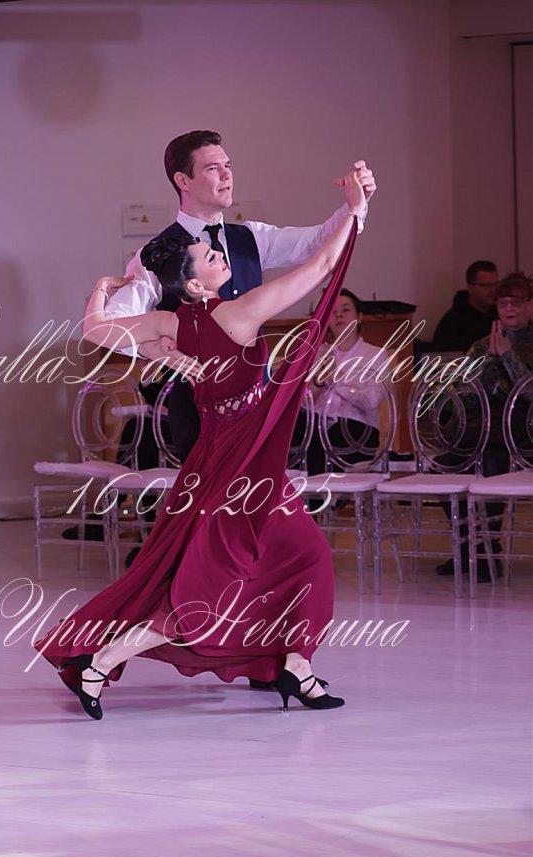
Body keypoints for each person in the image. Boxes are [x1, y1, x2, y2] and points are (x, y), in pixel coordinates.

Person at [33, 172, 368, 720]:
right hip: (241, 467)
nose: (219, 254)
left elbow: (94, 329)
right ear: (194, 285)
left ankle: (295, 666)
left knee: (302, 556)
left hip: (219, 460)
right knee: (210, 587)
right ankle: (99, 661)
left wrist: (103, 286)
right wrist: (353, 210)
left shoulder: (170, 322)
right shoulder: (237, 313)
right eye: (209, 256)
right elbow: (320, 267)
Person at [105, 130, 376, 461]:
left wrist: (356, 205)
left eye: (228, 165)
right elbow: (112, 322)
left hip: (257, 403)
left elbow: (319, 242)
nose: (226, 175)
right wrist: (154, 350)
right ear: (183, 180)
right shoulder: (159, 255)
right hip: (197, 413)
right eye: (212, 168)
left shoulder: (252, 237)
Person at [435, 272, 533, 578]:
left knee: (492, 464)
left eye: (516, 302)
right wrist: (490, 358)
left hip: (523, 433)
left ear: (530, 305)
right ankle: (468, 549)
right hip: (482, 430)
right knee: (444, 468)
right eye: (503, 302)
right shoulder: (481, 345)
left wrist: (509, 356)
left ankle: (489, 553)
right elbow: (467, 395)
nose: (509, 308)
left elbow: (530, 394)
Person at [304, 289, 385, 476]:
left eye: (346, 310)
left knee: (327, 442)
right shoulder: (318, 354)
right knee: (298, 435)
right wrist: (319, 382)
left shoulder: (375, 354)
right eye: (333, 312)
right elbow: (304, 403)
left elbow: (371, 401)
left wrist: (335, 376)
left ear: (359, 317)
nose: (339, 315)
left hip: (357, 431)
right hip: (318, 430)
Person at [429, 260, 499, 354]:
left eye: (496, 284)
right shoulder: (452, 323)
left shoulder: (502, 315)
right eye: (486, 285)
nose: (494, 290)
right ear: (470, 288)